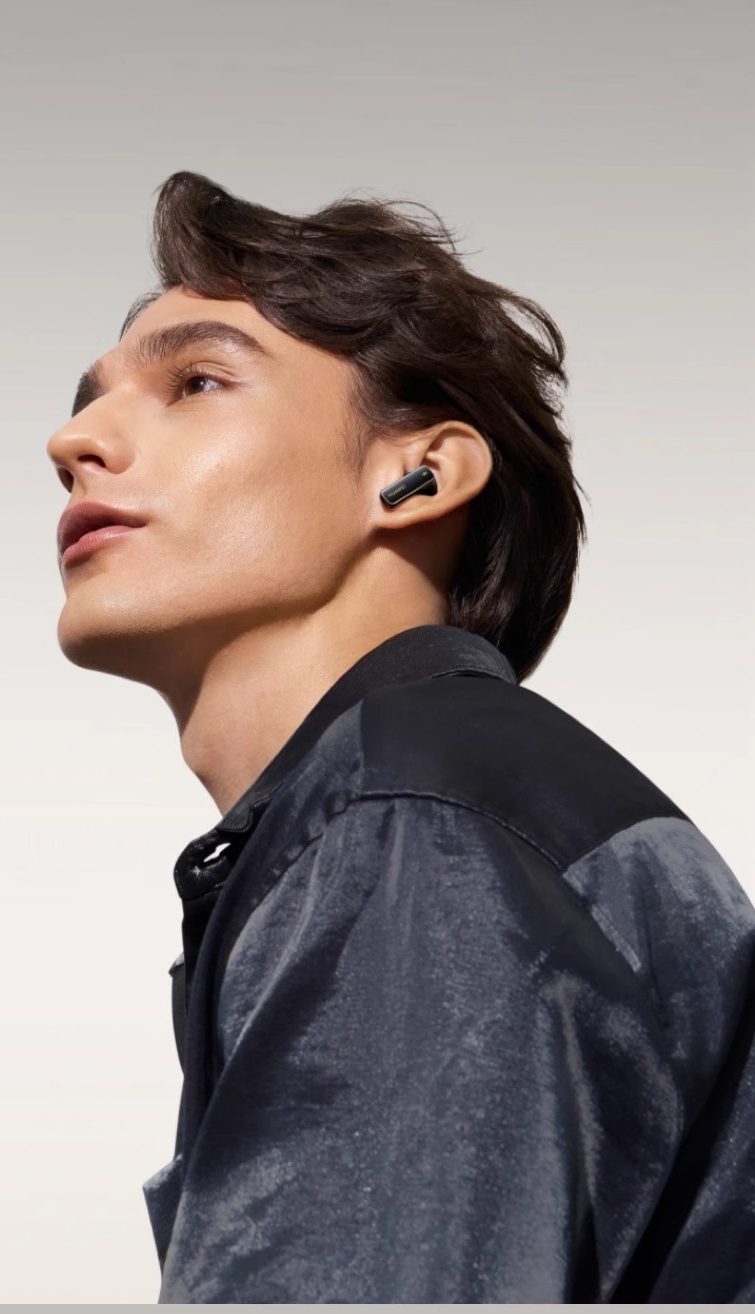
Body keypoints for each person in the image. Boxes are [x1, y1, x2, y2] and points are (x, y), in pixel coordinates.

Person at [46, 170, 755, 1303]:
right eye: (89, 400)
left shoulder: (413, 833)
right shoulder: (440, 808)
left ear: (417, 476)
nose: (73, 439)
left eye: (197, 381)